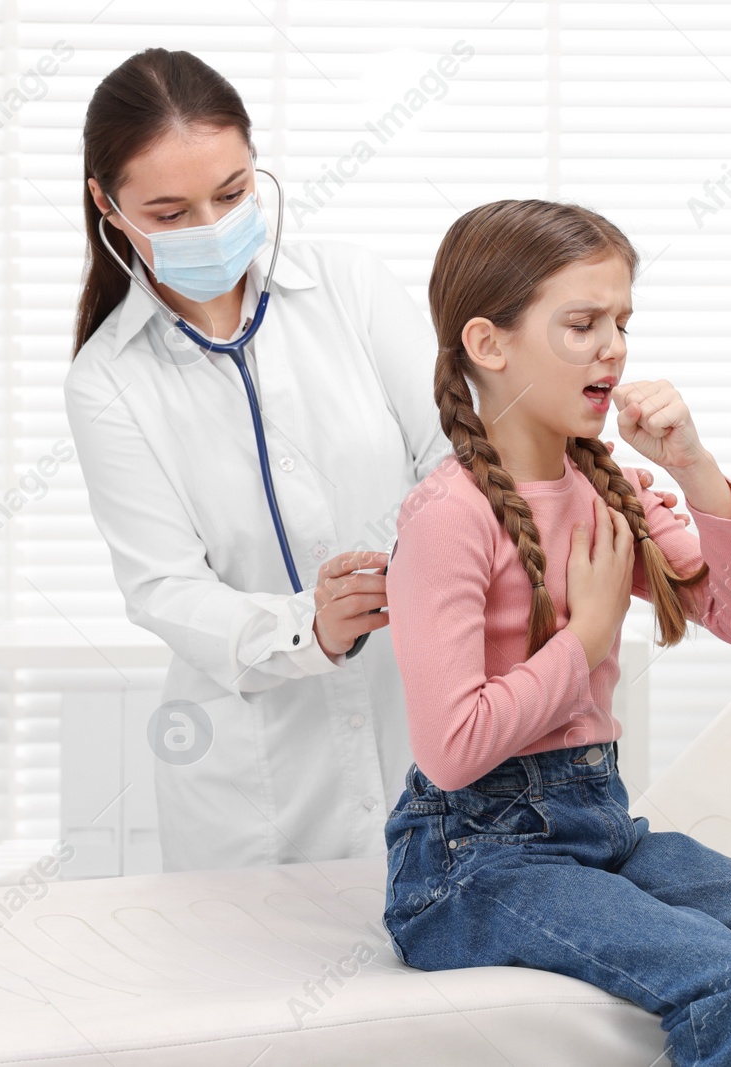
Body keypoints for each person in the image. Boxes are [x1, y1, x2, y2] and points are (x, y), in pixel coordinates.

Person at [60, 50, 698, 872]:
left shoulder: (348, 289)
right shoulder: (107, 381)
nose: (212, 228)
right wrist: (308, 628)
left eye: (231, 193)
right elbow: (163, 586)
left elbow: (460, 445)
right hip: (256, 787)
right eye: (170, 212)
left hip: (430, 732)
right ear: (108, 206)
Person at [381, 199, 731, 1065]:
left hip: (598, 831)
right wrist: (590, 633)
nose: (613, 345)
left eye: (621, 321)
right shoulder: (446, 517)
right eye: (582, 323)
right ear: (488, 345)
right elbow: (453, 750)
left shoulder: (610, 493)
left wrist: (693, 466)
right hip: (468, 866)